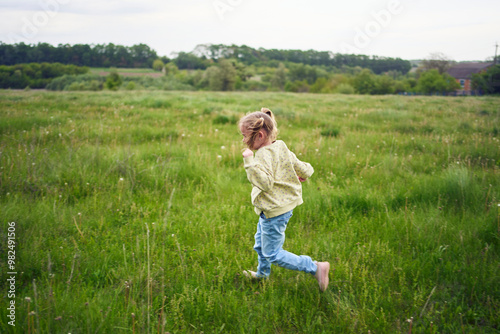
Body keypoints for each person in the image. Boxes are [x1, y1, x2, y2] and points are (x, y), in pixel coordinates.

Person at [238, 107, 330, 292]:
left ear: (260, 136)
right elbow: (301, 167)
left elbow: (265, 183)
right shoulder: (280, 145)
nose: (243, 140)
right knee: (260, 244)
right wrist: (303, 174)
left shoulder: (262, 155)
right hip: (277, 207)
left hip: (275, 211)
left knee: (273, 253)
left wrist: (249, 164)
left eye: (244, 136)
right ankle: (262, 274)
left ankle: (315, 268)